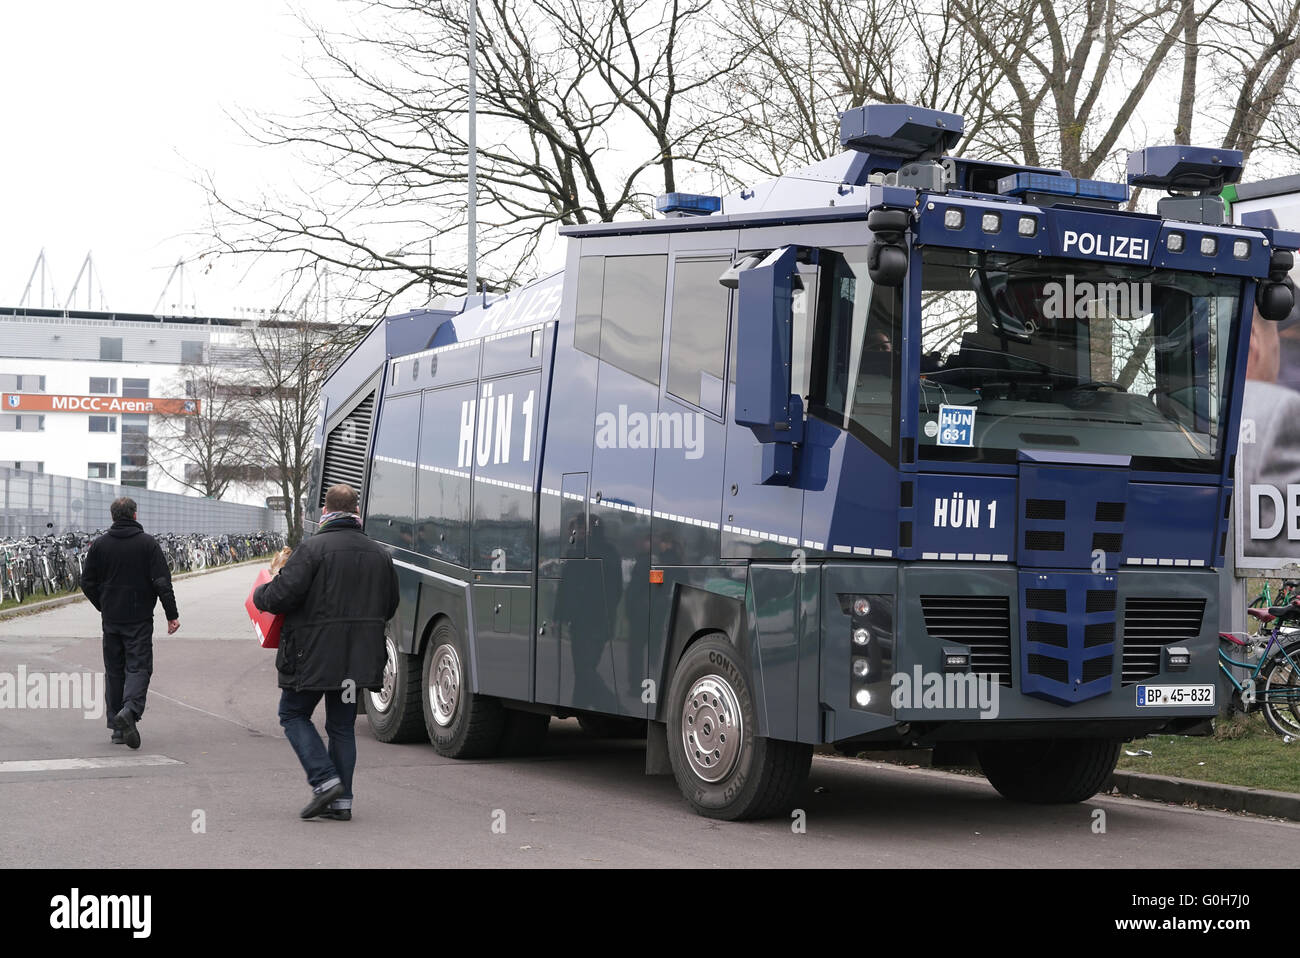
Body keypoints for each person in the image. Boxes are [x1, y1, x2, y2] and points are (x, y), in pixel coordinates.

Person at [253, 483, 399, 821]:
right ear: (356, 513)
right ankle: (341, 802)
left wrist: (261, 593)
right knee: (342, 727)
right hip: (356, 662)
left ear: (325, 512)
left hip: (312, 658)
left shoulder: (312, 550)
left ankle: (324, 780)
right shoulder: (380, 555)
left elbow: (280, 597)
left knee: (292, 714)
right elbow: (389, 606)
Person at [79, 497, 180, 750]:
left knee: (114, 671)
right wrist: (171, 614)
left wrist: (103, 604)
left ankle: (116, 728)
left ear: (113, 517)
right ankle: (130, 710)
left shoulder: (100, 545)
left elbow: (87, 582)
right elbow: (162, 582)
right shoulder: (148, 545)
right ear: (135, 515)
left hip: (111, 619)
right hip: (139, 619)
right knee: (138, 667)